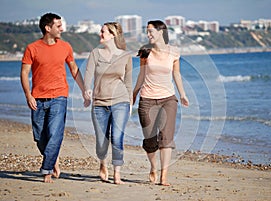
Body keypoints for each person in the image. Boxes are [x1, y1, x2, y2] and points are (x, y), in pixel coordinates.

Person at [20, 13, 85, 183]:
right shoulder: (32, 48)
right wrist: (28, 95)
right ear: (48, 28)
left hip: (59, 96)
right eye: (58, 26)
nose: (62, 29)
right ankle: (53, 159)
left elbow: (73, 68)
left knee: (55, 134)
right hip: (38, 98)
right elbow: (25, 72)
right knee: (40, 137)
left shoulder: (65, 46)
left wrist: (84, 90)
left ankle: (47, 169)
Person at [133, 20, 189, 186]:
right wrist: (134, 94)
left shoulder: (174, 52)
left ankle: (164, 175)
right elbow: (141, 76)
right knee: (150, 139)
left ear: (161, 32)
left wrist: (183, 94)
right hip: (147, 99)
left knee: (166, 137)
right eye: (147, 32)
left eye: (150, 31)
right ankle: (153, 167)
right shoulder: (145, 52)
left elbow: (176, 75)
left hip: (168, 99)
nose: (148, 34)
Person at [83, 22, 132, 184]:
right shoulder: (95, 54)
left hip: (120, 101)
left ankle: (117, 173)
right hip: (99, 103)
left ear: (112, 35)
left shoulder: (125, 56)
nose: (100, 34)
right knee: (101, 141)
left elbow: (129, 82)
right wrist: (86, 91)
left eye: (102, 31)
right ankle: (103, 163)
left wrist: (130, 103)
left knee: (117, 137)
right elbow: (89, 75)